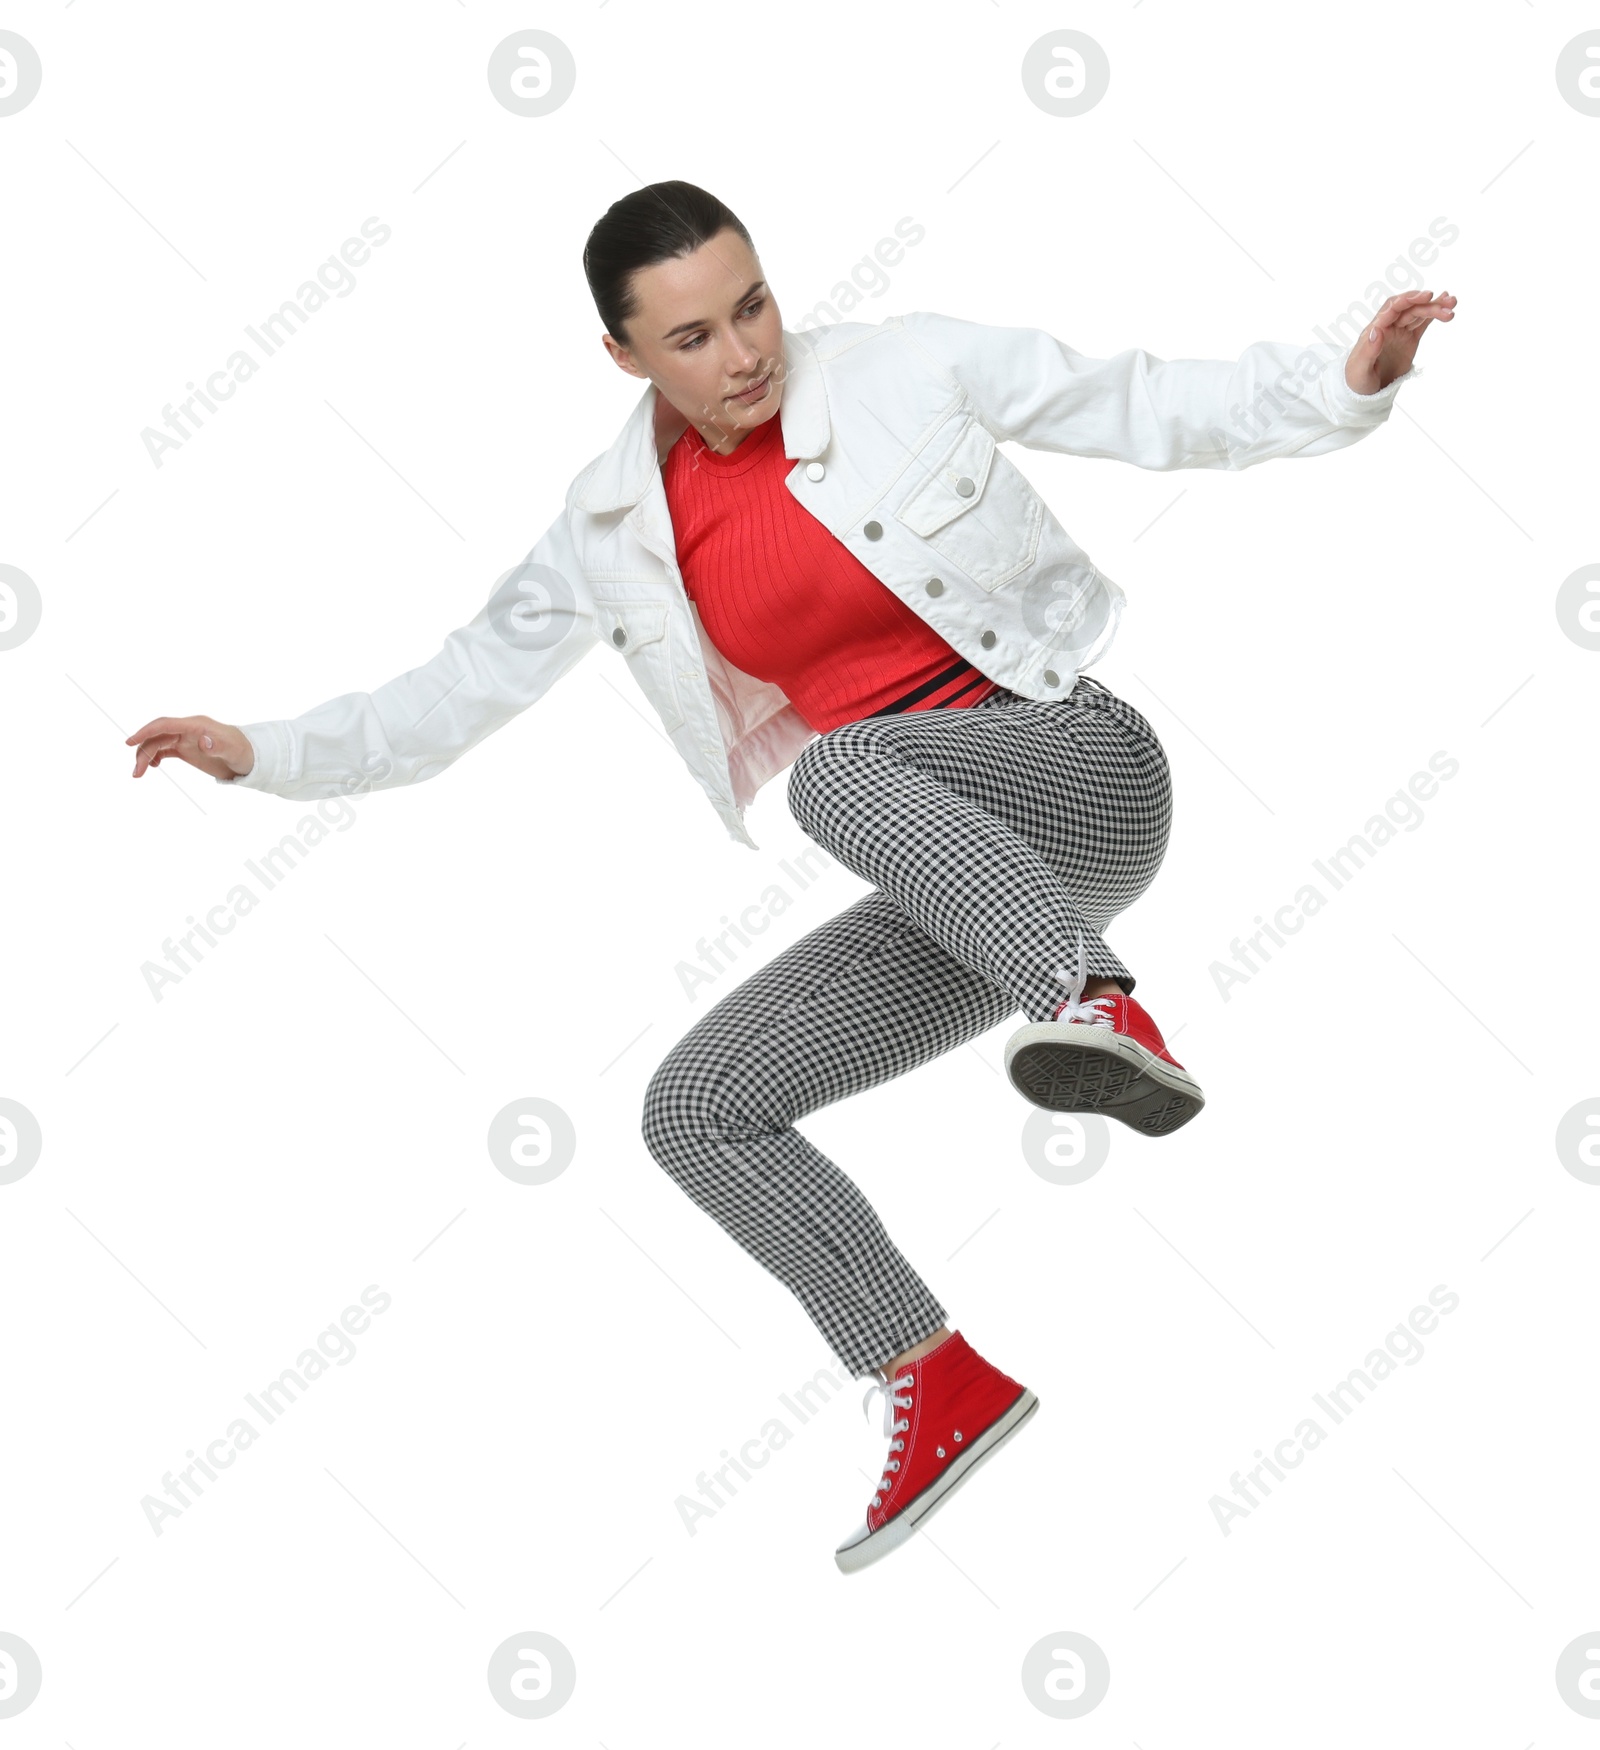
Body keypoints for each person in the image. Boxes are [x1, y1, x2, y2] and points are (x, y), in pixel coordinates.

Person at [126, 180, 1455, 1574]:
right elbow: (457, 689)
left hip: (1081, 771)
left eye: (753, 304)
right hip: (965, 877)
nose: (747, 352)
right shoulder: (611, 524)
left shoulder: (901, 364)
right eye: (693, 336)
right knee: (696, 1108)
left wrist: (1342, 383)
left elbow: (1135, 400)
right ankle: (932, 1376)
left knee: (836, 771)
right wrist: (260, 750)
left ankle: (1100, 1003)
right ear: (626, 358)